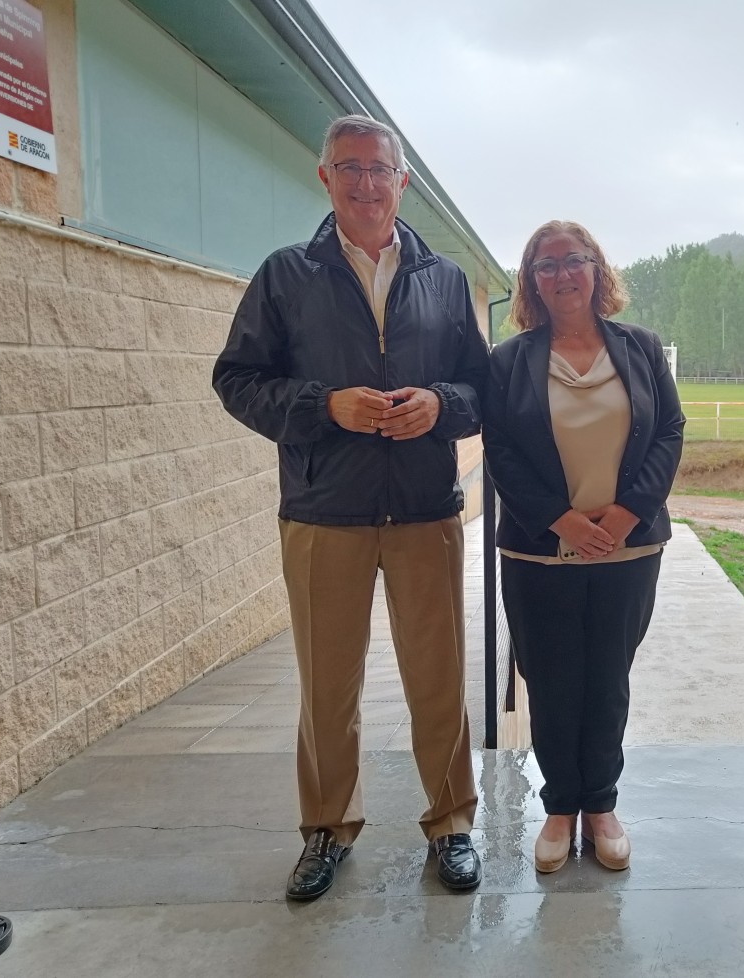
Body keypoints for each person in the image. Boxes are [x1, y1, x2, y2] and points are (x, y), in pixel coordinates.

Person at [213, 114, 489, 900]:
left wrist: (440, 405)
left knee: (438, 678)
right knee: (326, 685)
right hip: (321, 513)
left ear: (404, 182)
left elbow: (480, 387)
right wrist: (322, 405)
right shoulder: (285, 274)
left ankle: (452, 823)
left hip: (426, 511)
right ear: (324, 177)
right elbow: (237, 379)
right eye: (350, 167)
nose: (367, 182)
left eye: (381, 169)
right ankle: (327, 829)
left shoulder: (443, 279)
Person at [483, 221, 684, 873]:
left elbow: (669, 432)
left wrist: (628, 514)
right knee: (551, 680)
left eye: (575, 260)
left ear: (597, 270)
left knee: (606, 680)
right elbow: (502, 452)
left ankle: (600, 805)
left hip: (628, 552)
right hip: (540, 554)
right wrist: (561, 521)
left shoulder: (641, 349)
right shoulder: (508, 362)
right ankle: (560, 806)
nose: (563, 274)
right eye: (546, 265)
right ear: (530, 282)